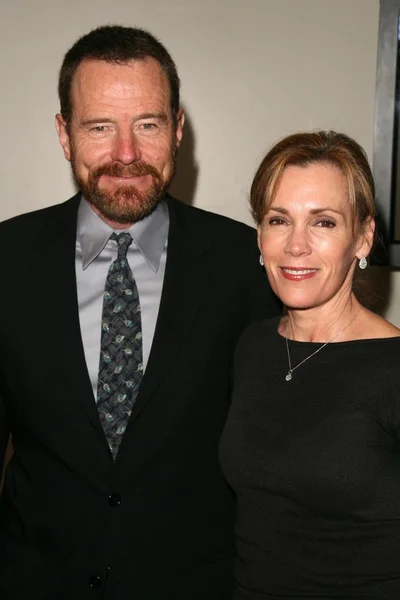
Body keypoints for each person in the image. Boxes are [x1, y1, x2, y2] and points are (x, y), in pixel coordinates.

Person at [0, 25, 279, 600]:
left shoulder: (250, 266)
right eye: (100, 127)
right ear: (64, 133)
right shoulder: (6, 260)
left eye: (147, 125)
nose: (126, 154)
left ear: (177, 130)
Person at [219, 130, 400, 599]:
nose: (296, 245)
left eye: (323, 223)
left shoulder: (393, 368)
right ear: (259, 235)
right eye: (279, 220)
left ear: (363, 238)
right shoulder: (253, 347)